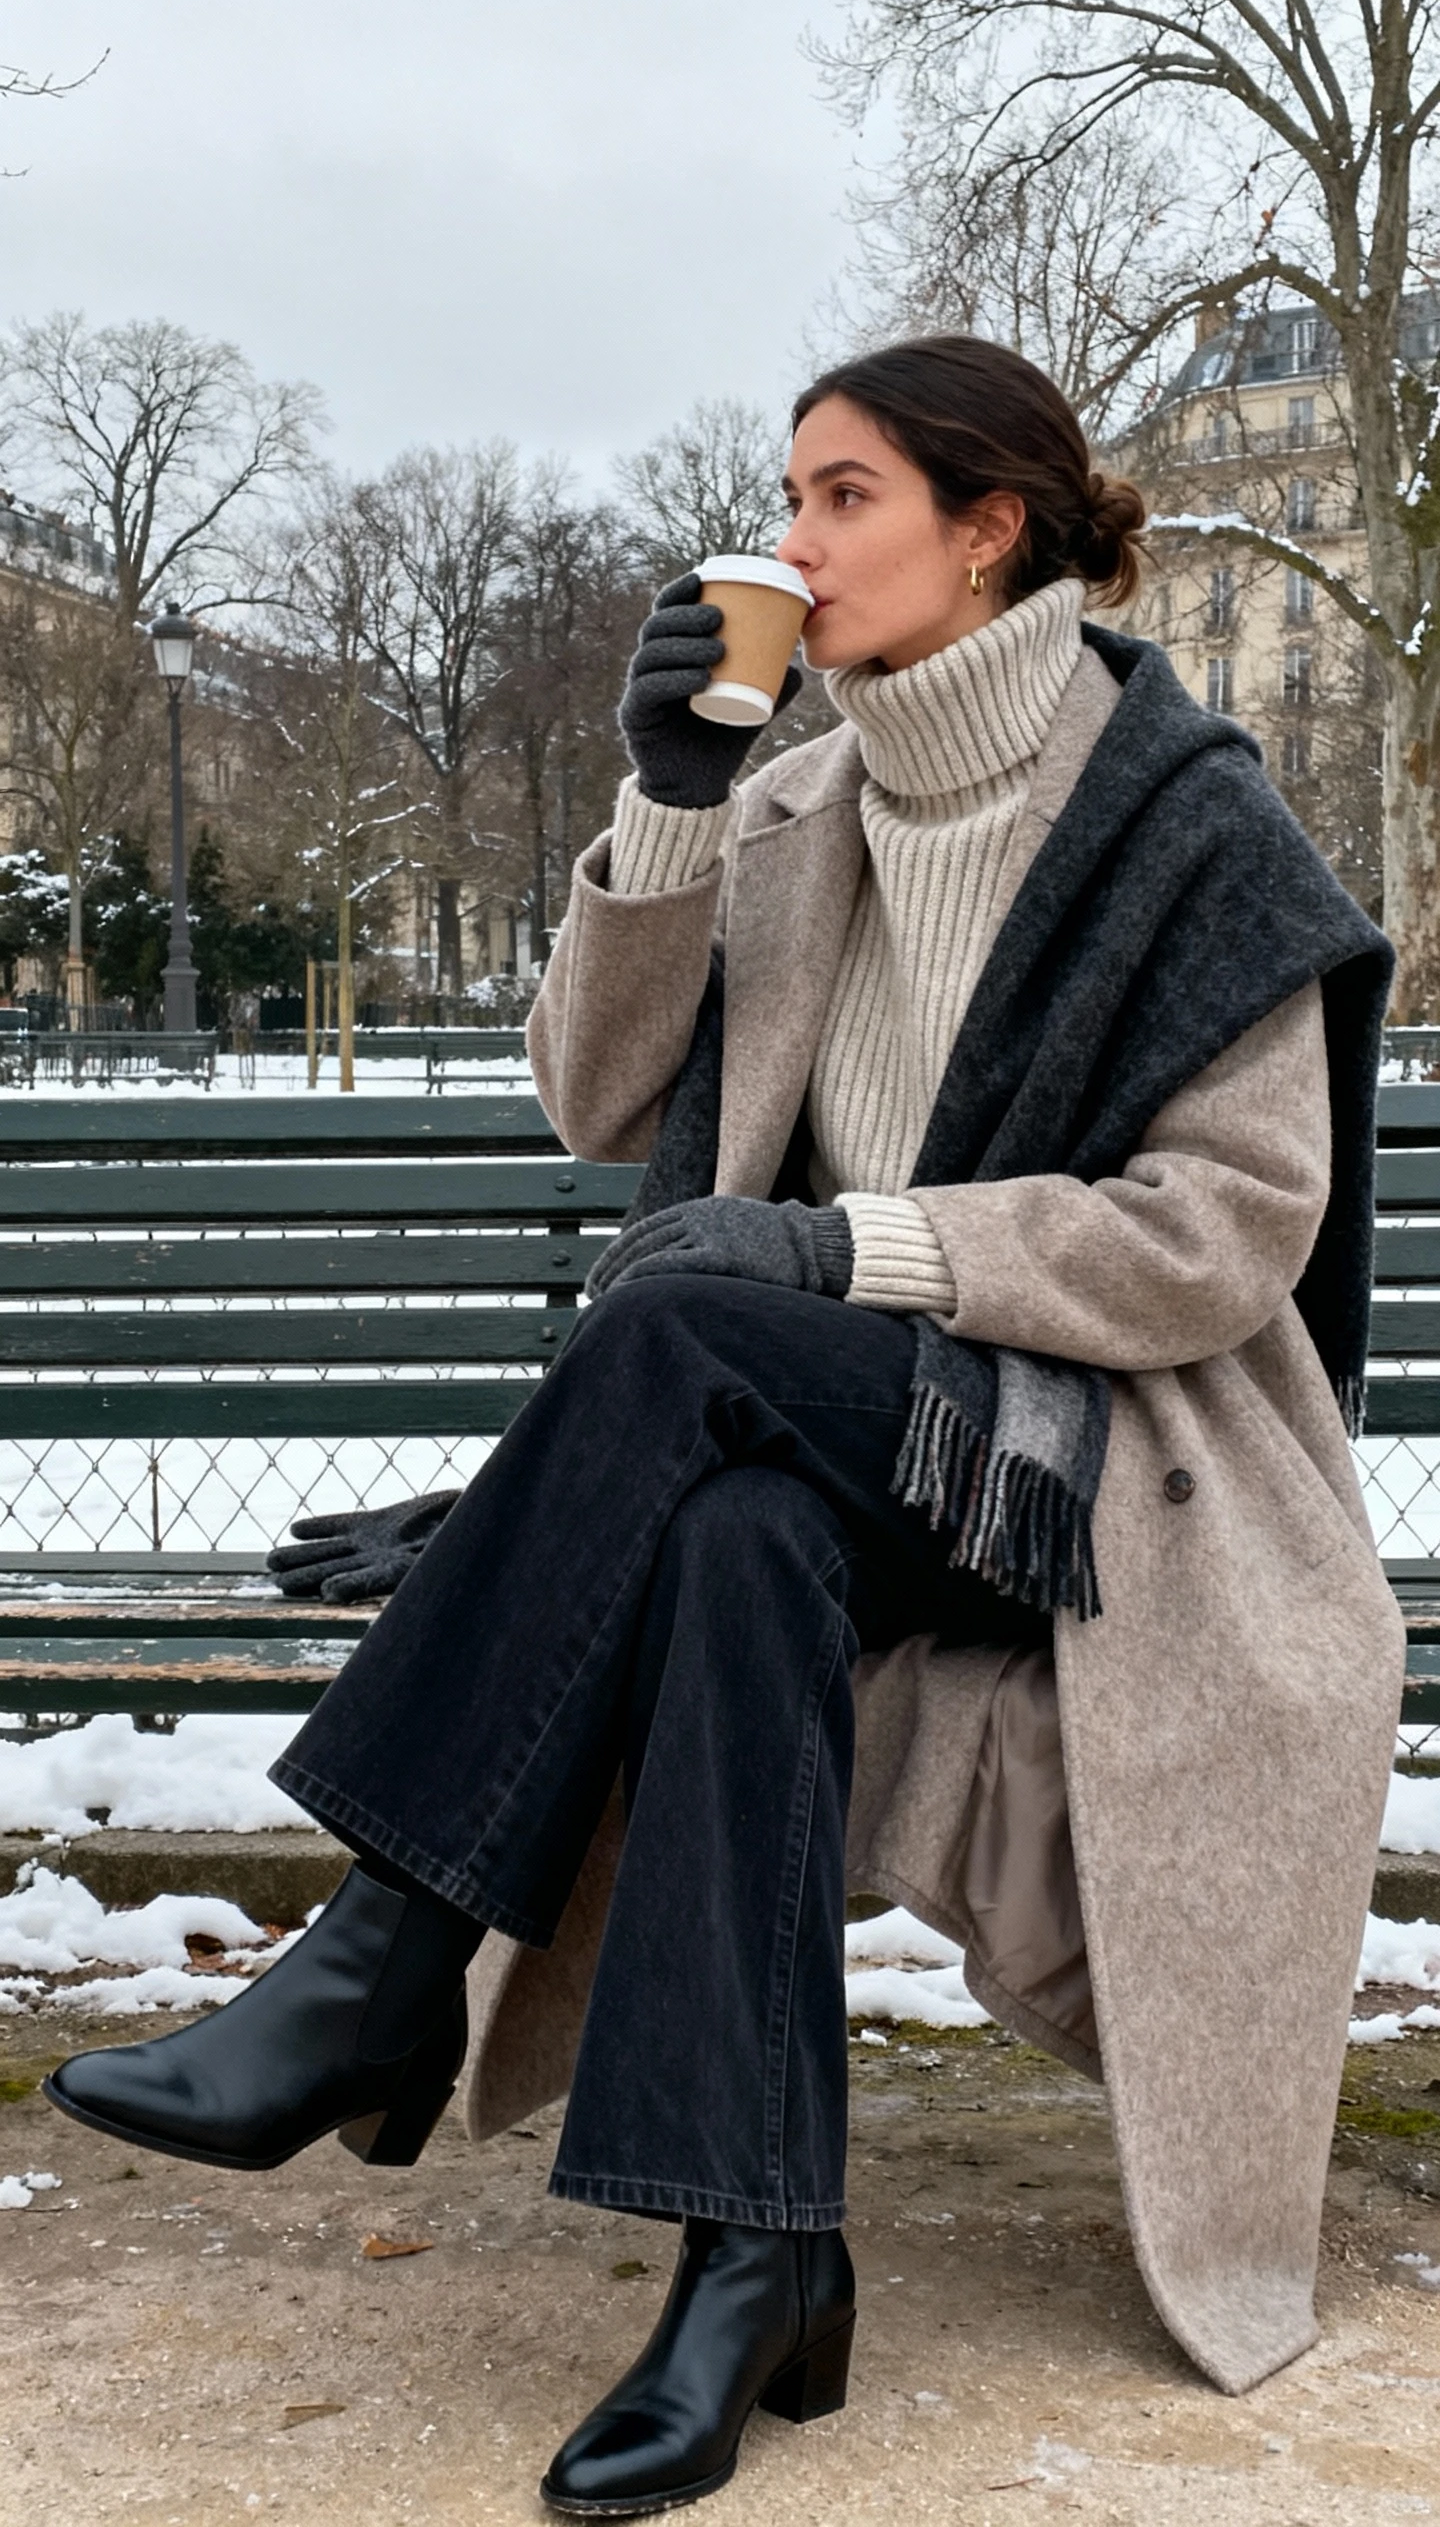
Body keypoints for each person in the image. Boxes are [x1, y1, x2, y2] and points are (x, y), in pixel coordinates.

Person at [44, 335, 1403, 2517]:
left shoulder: (1187, 818)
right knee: (729, 1546)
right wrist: (670, 796)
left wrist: (848, 1253)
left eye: (844, 495)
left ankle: (382, 1956)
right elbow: (600, 1099)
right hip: (810, 1446)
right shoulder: (786, 798)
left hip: (1093, 1470)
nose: (789, 537)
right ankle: (754, 2250)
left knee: (683, 1326)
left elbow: (1223, 1236)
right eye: (788, 493)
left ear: (994, 526)